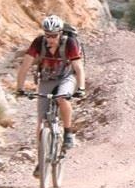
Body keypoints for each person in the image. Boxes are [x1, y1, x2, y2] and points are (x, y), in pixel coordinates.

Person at [14, 15, 86, 175]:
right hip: (47, 78)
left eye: (54, 35)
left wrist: (81, 88)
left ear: (60, 33)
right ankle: (41, 161)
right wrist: (19, 88)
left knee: (62, 98)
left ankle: (68, 132)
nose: (50, 38)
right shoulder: (39, 43)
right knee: (40, 123)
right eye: (48, 35)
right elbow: (25, 66)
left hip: (67, 77)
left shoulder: (70, 43)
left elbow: (78, 67)